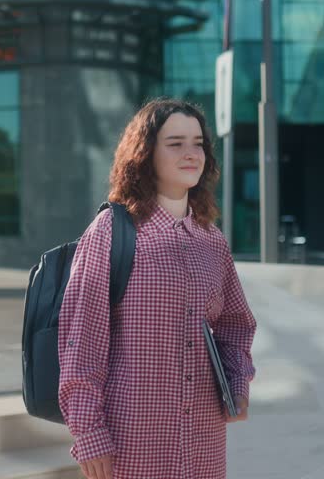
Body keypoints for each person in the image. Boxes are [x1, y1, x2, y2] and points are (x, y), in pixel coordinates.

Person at [57, 98, 257, 479]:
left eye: (198, 143)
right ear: (146, 153)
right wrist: (89, 433)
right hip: (132, 443)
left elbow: (236, 324)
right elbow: (81, 341)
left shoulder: (212, 240)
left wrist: (236, 382)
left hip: (204, 443)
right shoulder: (111, 232)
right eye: (175, 143)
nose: (191, 153)